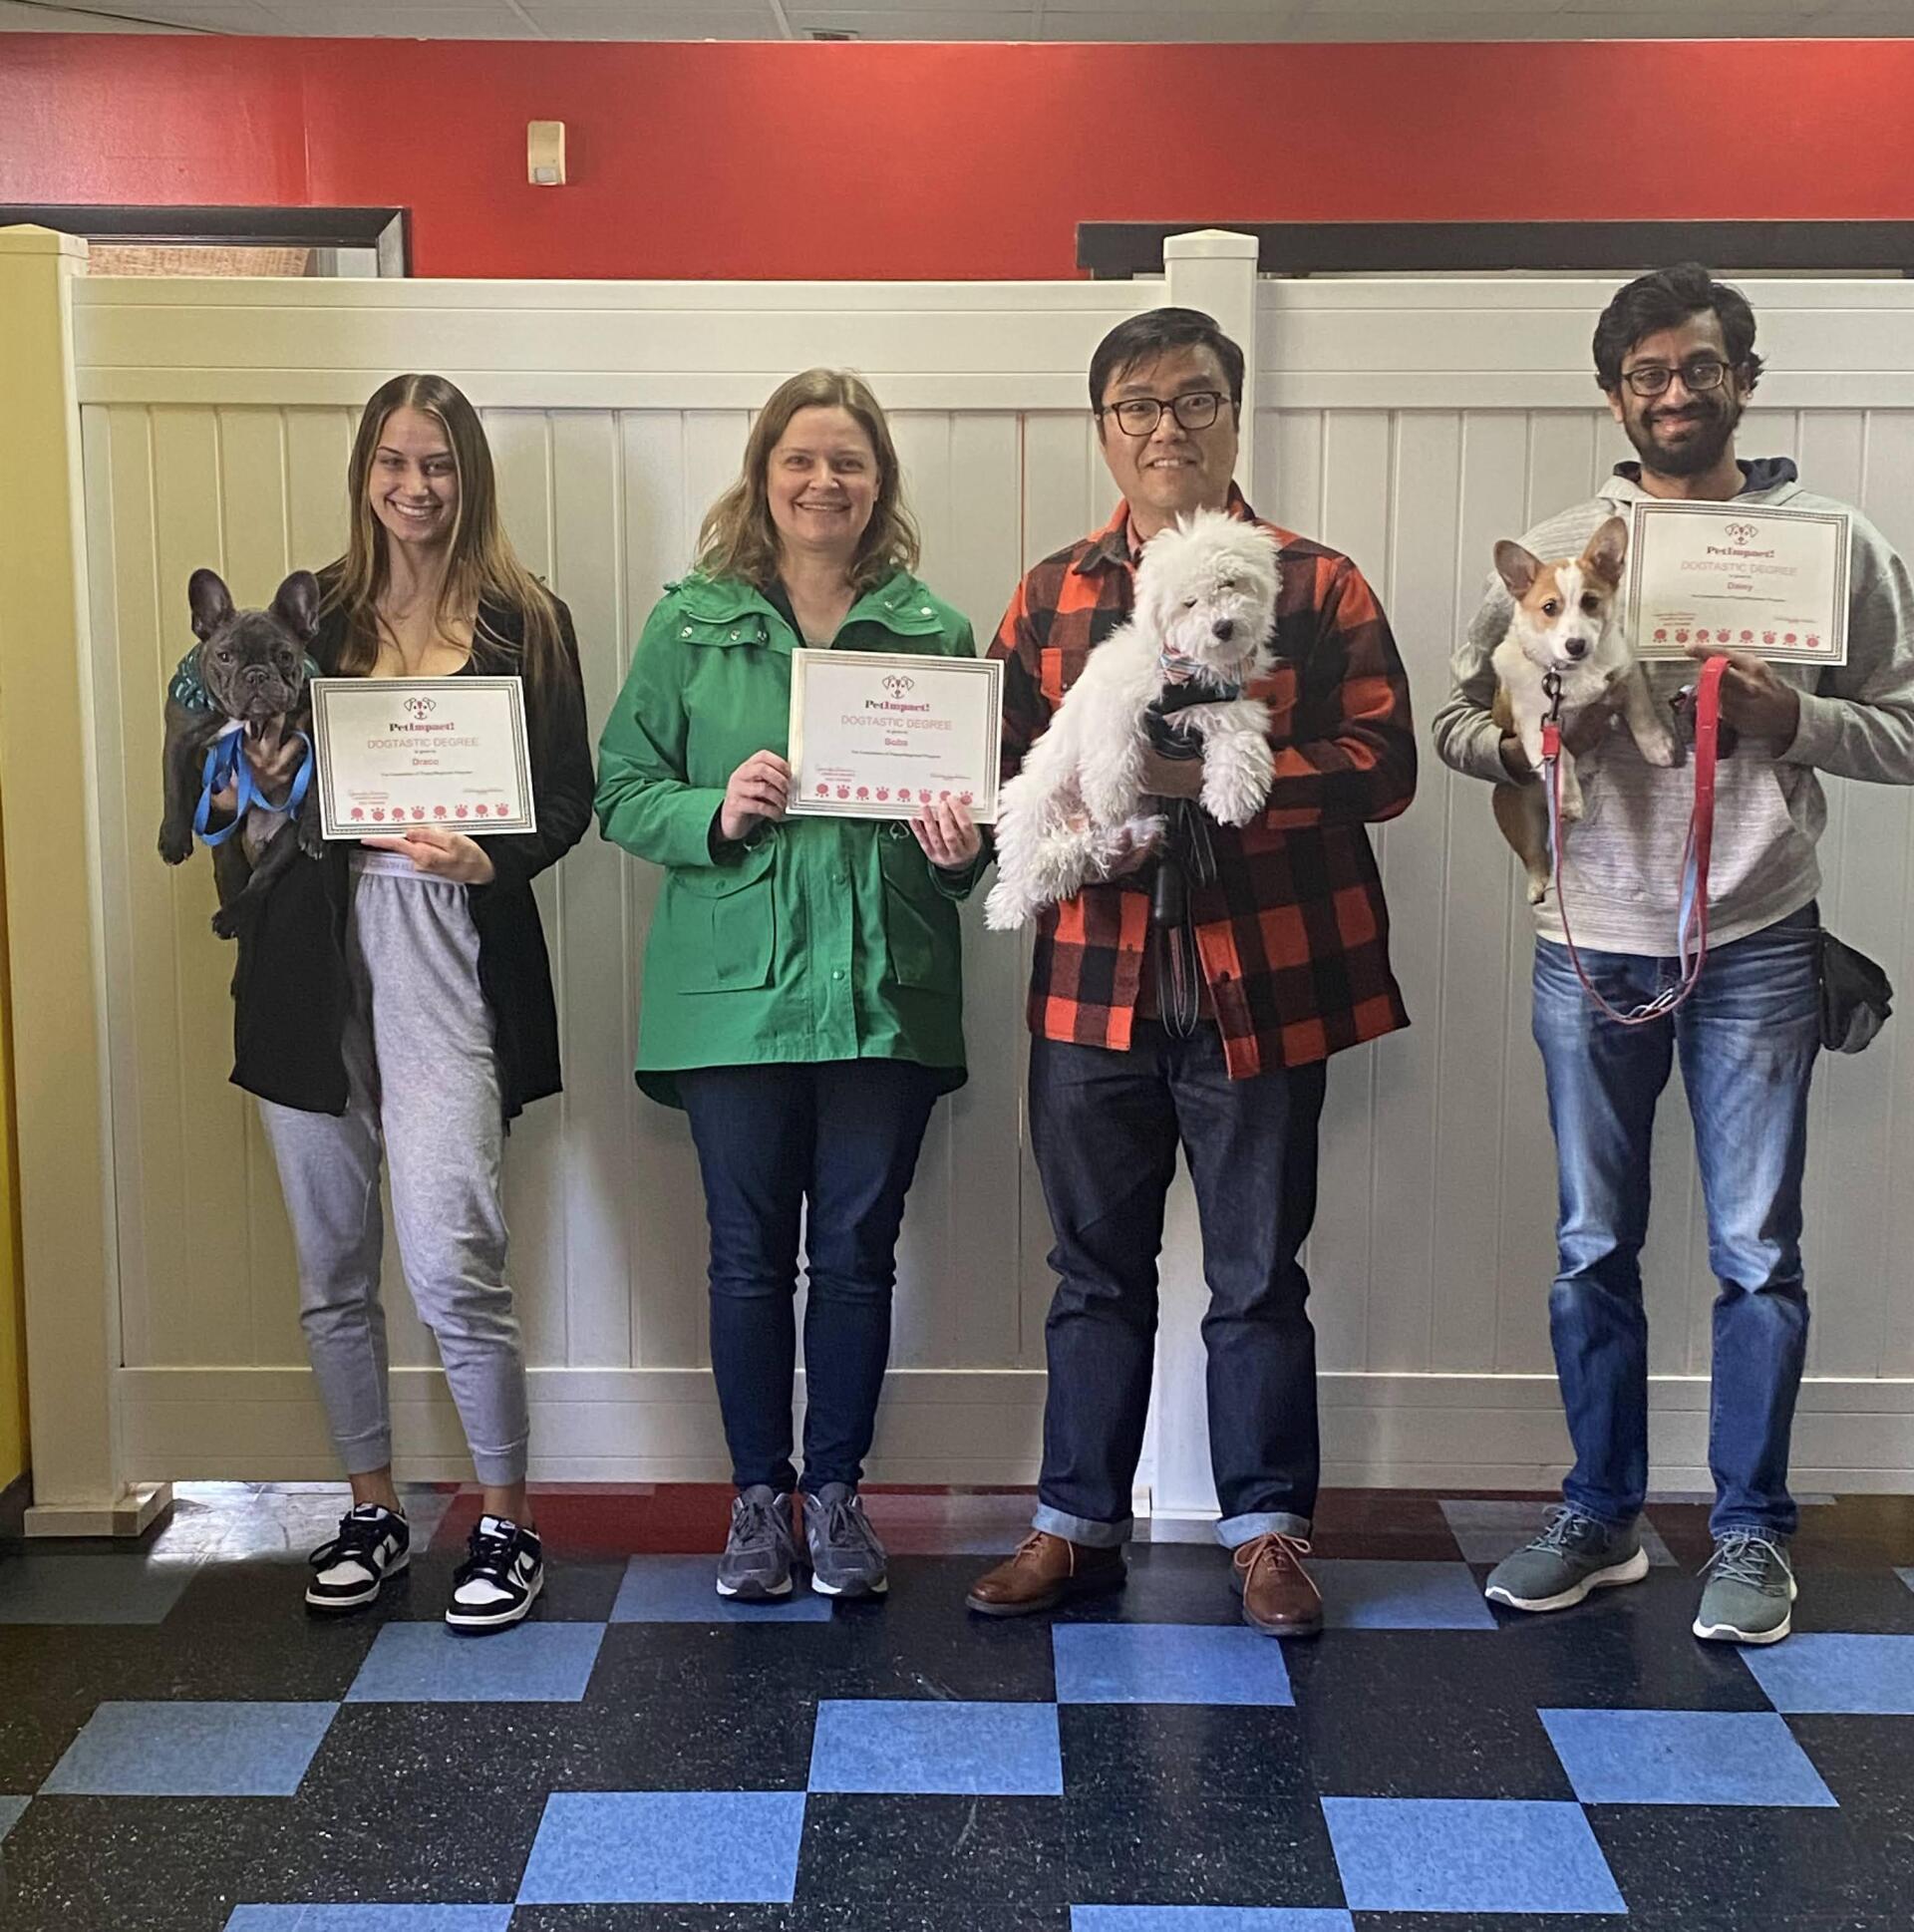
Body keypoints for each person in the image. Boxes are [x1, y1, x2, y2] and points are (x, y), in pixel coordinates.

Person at [1434, 265, 1914, 1645]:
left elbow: (1908, 722)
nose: (1674, 392)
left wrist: (1797, 723)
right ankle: (1601, 1515)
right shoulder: (1552, 551)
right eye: (1646, 373)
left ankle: (1753, 1534)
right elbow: (1455, 728)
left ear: (1745, 378)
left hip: (1757, 936)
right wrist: (1540, 736)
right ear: (1615, 394)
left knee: (1758, 1254)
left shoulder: (1829, 541)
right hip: (1588, 940)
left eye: (1700, 366)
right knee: (1593, 1244)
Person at [965, 308, 1417, 1637]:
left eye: (1196, 400)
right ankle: (1074, 1525)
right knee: (1092, 1271)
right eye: (1138, 405)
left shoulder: (1318, 584)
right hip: (1088, 992)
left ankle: (1267, 1531)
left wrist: (1219, 781)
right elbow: (997, 760)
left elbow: (1383, 766)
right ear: (1103, 427)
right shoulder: (1048, 593)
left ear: (1236, 411)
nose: (1169, 427)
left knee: (1257, 1274)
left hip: (1265, 984)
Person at [596, 369, 983, 1602]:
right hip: (734, 996)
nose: (826, 482)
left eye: (850, 463)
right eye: (802, 460)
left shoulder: (938, 636)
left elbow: (981, 823)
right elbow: (619, 787)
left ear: (881, 485)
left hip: (883, 988)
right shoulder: (689, 624)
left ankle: (839, 1498)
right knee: (748, 1257)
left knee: (861, 1255)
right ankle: (758, 1502)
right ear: (763, 477)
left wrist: (965, 847)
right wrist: (714, 809)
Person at [233, 373, 593, 1630]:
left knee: (453, 1262)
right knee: (333, 1267)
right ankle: (374, 1507)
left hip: (453, 945)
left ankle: (507, 1521)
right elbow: (249, 793)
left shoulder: (527, 622)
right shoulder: (309, 613)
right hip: (309, 962)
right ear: (364, 472)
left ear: (469, 474)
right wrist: (268, 783)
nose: (414, 488)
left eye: (437, 464)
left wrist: (489, 859)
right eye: (393, 463)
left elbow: (567, 802)